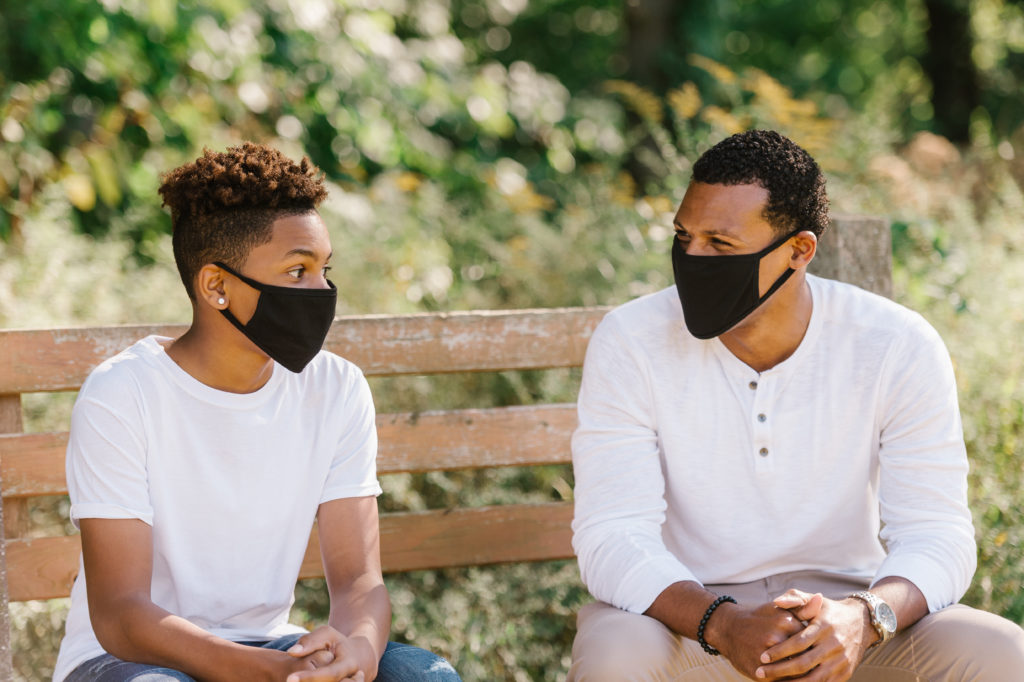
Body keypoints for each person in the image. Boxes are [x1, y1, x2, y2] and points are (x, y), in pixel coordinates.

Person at [568, 130, 1024, 681]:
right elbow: (613, 533)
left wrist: (864, 618)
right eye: (683, 236)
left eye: (720, 243)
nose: (692, 257)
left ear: (798, 251)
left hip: (849, 624)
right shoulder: (631, 340)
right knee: (615, 654)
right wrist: (723, 623)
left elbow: (938, 532)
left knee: (1002, 653)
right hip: (690, 623)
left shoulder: (896, 343)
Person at [53, 142, 461, 682]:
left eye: (323, 270)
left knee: (425, 676)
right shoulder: (123, 394)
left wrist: (358, 650)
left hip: (269, 646)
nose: (321, 292)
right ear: (217, 286)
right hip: (132, 662)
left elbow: (359, 583)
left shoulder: (336, 388)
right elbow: (122, 614)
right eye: (297, 272)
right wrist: (261, 673)